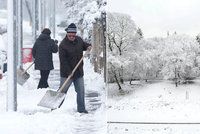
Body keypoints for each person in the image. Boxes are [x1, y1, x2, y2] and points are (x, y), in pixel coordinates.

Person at [59, 23, 91, 113]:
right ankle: (55, 107)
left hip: (78, 73)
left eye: (73, 35)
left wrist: (88, 46)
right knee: (62, 92)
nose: (72, 36)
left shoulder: (79, 40)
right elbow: (63, 61)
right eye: (70, 35)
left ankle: (81, 109)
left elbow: (84, 45)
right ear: (67, 34)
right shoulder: (62, 45)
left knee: (81, 92)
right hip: (66, 74)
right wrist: (69, 72)